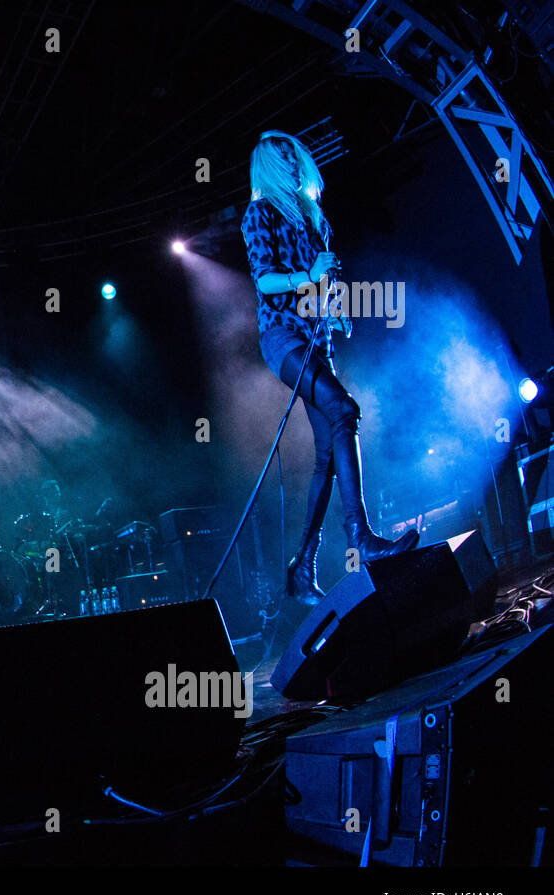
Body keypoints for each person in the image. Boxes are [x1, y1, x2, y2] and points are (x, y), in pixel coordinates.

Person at [241, 131, 418, 606]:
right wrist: (309, 278)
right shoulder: (260, 213)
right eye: (283, 159)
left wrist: (335, 305)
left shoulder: (314, 219)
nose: (294, 163)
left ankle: (303, 566)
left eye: (295, 155)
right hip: (283, 338)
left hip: (318, 341)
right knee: (345, 409)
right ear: (270, 168)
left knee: (327, 454)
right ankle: (361, 538)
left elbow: (325, 283)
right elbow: (265, 279)